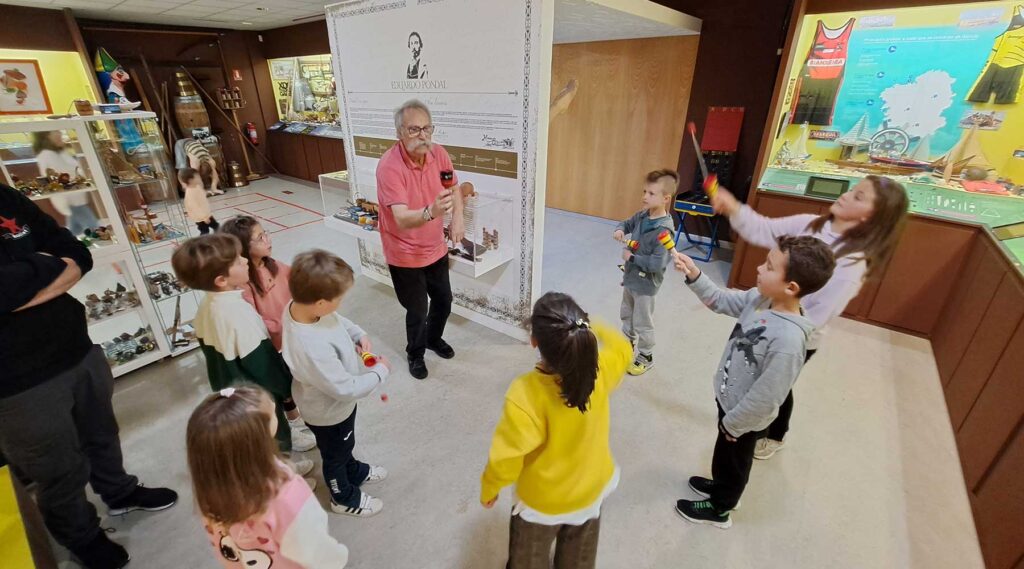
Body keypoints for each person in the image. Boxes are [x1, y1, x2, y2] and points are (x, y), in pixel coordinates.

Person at [0, 183, 177, 569]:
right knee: (56, 468)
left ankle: (119, 492)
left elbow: (77, 253)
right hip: (16, 381)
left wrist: (23, 283)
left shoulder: (5, 197)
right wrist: (47, 265)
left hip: (77, 349)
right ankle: (81, 536)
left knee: (102, 435)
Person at [711, 175, 908, 459]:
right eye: (853, 189)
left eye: (859, 197)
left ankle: (773, 435)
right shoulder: (811, 224)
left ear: (870, 217)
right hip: (767, 319)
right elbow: (763, 229)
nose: (847, 194)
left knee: (773, 386)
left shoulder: (852, 265)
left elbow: (816, 316)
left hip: (794, 336)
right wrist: (733, 208)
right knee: (764, 380)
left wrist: (774, 327)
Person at [671, 236, 835, 528]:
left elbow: (769, 396)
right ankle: (721, 486)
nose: (759, 268)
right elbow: (720, 301)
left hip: (744, 417)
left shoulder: (788, 340)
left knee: (733, 460)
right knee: (724, 455)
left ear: (791, 287)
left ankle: (721, 508)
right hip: (730, 399)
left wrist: (735, 424)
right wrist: (695, 275)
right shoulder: (760, 299)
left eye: (769, 266)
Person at [480, 292, 632, 569]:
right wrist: (591, 323)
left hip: (541, 503)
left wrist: (490, 487)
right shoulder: (601, 370)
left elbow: (507, 457)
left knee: (528, 561)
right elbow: (623, 349)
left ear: (534, 341)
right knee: (578, 561)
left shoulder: (525, 393)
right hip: (591, 491)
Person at [170, 234, 315, 483]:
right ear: (221, 279)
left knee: (259, 442)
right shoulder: (235, 313)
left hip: (230, 391)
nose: (245, 261)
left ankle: (281, 467)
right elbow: (261, 363)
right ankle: (284, 482)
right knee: (272, 438)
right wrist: (284, 387)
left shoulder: (209, 307)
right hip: (257, 394)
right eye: (237, 261)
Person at [188, 385, 350, 569]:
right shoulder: (286, 495)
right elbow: (314, 549)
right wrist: (337, 557)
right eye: (271, 414)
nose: (273, 404)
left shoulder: (209, 491)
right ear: (257, 440)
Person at [282, 250, 390, 517]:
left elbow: (336, 321)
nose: (340, 304)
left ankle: (353, 470)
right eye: (339, 299)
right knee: (335, 455)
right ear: (319, 303)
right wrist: (380, 372)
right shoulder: (312, 347)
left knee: (343, 446)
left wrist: (357, 334)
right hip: (329, 413)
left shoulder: (300, 308)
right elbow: (345, 388)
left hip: (333, 408)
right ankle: (342, 496)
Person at [376, 99, 466, 379]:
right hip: (403, 251)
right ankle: (415, 352)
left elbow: (454, 188)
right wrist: (432, 212)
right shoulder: (389, 167)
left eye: (427, 128)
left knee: (444, 300)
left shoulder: (439, 155)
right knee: (417, 308)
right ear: (399, 133)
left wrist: (458, 218)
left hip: (434, 247)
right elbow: (402, 218)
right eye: (414, 129)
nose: (423, 135)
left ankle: (432, 338)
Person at [220, 215, 317, 453]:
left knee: (290, 381)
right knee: (279, 386)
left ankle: (294, 419)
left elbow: (294, 275)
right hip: (271, 342)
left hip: (288, 336)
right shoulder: (244, 281)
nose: (267, 239)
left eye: (266, 233)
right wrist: (286, 323)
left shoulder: (270, 264)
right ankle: (289, 430)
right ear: (242, 247)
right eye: (260, 237)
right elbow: (256, 320)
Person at [612, 169, 678, 376]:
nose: (644, 197)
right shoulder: (642, 215)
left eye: (651, 194)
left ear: (666, 199)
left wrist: (631, 258)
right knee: (627, 313)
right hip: (631, 278)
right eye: (644, 192)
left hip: (646, 285)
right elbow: (626, 223)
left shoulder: (663, 230)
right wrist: (620, 229)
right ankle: (626, 346)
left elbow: (657, 264)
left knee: (642, 320)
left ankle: (646, 355)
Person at [32, 130, 99, 236]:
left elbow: (74, 169)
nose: (60, 135)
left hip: (76, 195)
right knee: (93, 227)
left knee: (74, 229)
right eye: (55, 133)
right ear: (46, 137)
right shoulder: (46, 155)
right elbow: (55, 177)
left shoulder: (60, 152)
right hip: (69, 198)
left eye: (59, 132)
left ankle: (69, 243)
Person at [179, 168, 219, 235]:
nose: (199, 178)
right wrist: (204, 218)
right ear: (190, 180)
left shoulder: (197, 187)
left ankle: (217, 238)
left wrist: (206, 192)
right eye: (197, 177)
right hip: (201, 218)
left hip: (207, 214)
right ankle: (202, 243)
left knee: (216, 227)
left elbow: (201, 194)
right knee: (205, 231)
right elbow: (195, 207)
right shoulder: (190, 193)